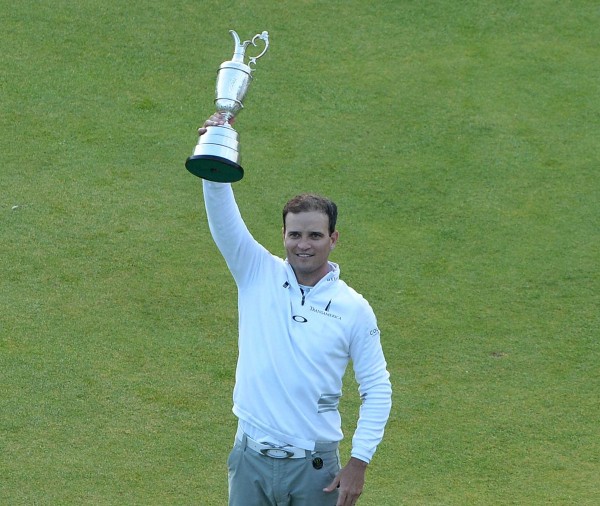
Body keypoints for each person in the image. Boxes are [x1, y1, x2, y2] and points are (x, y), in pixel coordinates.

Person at [197, 114, 392, 506]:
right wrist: (216, 148)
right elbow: (222, 214)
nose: (304, 244)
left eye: (315, 235)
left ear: (333, 239)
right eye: (295, 235)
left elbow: (377, 389)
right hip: (249, 459)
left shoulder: (354, 309)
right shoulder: (256, 272)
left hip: (315, 470)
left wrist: (359, 462)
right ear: (284, 236)